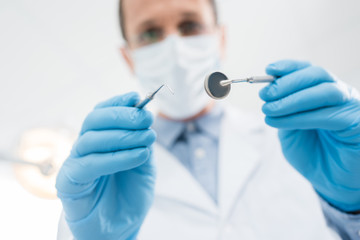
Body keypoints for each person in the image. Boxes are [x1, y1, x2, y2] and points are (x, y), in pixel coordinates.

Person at [56, 0, 360, 239]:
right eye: (149, 33)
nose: (174, 48)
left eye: (190, 25)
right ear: (128, 57)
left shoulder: (298, 139)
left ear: (221, 38)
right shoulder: (103, 182)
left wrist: (353, 205)